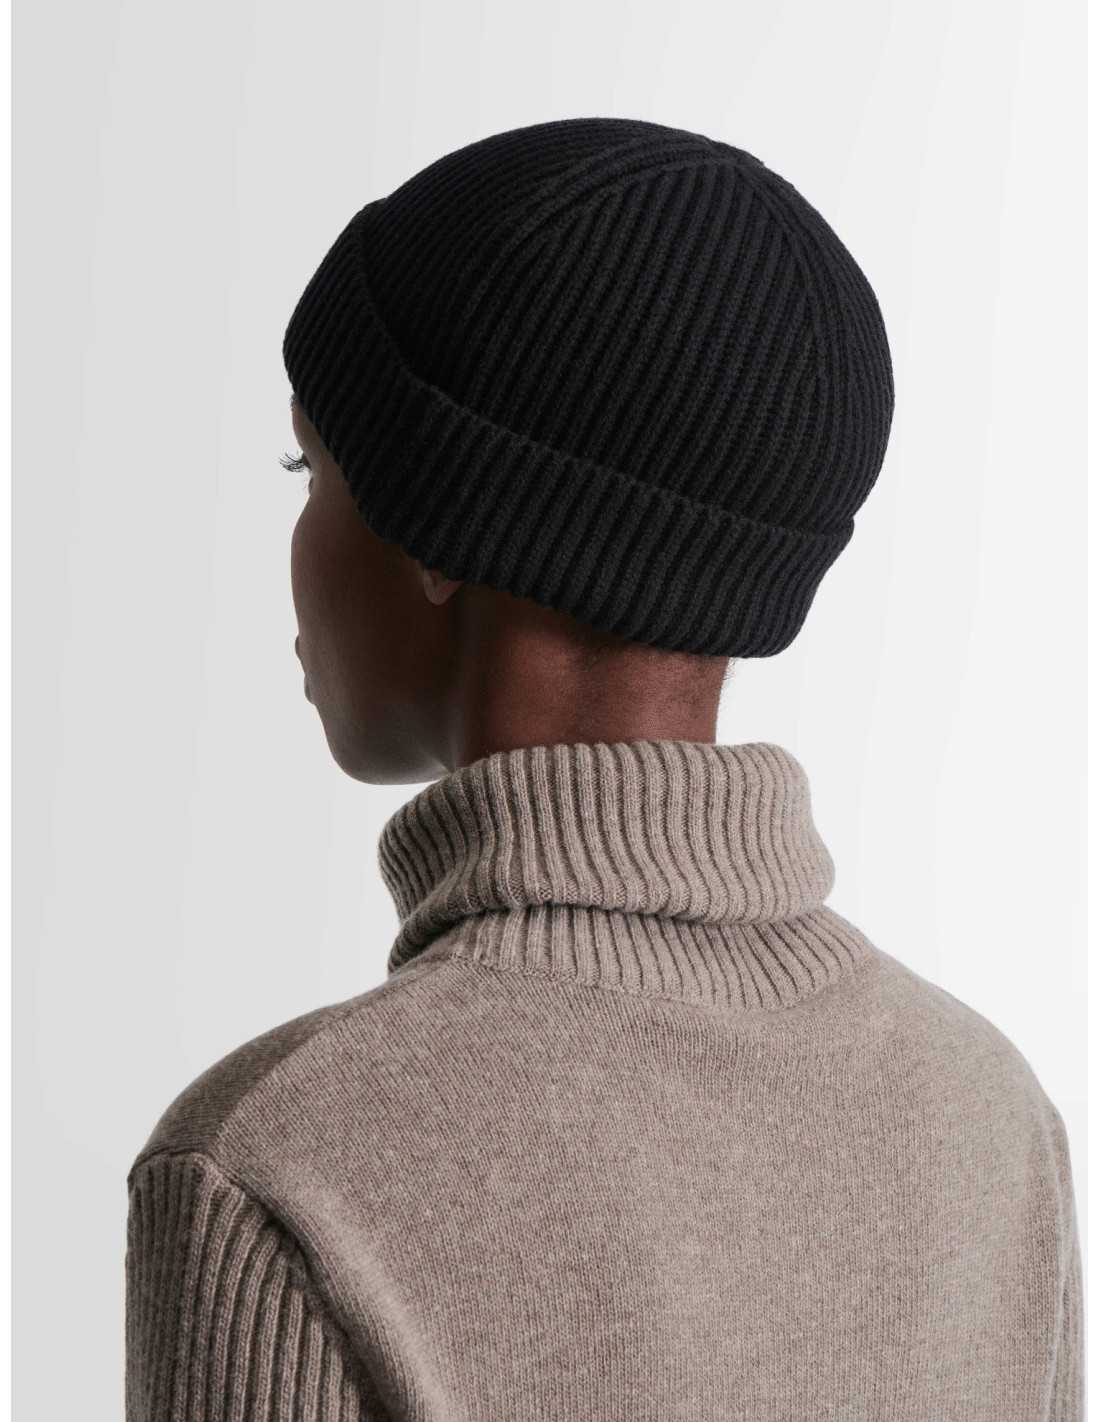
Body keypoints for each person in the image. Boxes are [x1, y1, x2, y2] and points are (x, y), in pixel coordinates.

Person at [124, 117, 1083, 1420]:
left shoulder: (282, 1172)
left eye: (312, 465)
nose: (294, 542)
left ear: (435, 519)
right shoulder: (991, 1119)